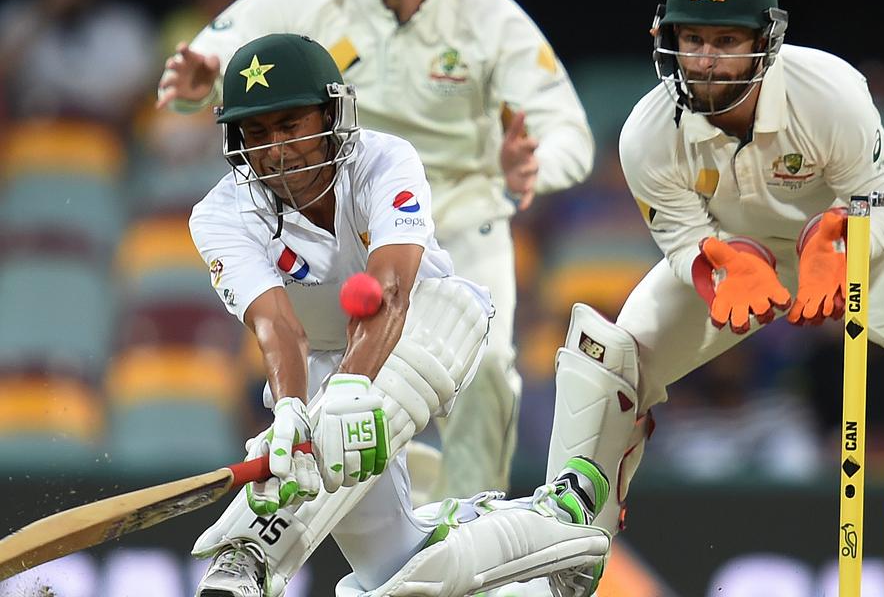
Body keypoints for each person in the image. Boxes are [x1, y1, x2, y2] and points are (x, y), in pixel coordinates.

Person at [534, 0, 884, 588]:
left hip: (858, 245)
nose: (706, 59)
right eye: (693, 39)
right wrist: (714, 264)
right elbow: (682, 238)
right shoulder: (646, 135)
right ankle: (564, 548)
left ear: (766, 41)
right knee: (612, 354)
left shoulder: (829, 93)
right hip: (742, 257)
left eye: (726, 40)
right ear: (667, 39)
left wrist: (835, 246)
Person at [156, 0, 594, 503]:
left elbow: (571, 134)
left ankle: (468, 520)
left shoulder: (488, 14)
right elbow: (218, 59)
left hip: (463, 211)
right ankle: (380, 492)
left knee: (488, 372)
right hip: (344, 206)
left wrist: (531, 168)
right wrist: (197, 84)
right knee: (331, 376)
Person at [186, 32, 609, 597]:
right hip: (323, 362)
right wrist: (290, 408)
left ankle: (249, 553)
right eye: (257, 134)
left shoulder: (385, 160)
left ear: (333, 113)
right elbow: (276, 324)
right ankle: (548, 529)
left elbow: (391, 288)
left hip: (429, 325)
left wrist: (349, 387)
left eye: (291, 126)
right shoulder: (218, 215)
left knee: (338, 431)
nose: (277, 150)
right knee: (400, 578)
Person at [0, 0, 155, 131]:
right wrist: (43, 15)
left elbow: (135, 95)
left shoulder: (126, 25)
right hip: (29, 133)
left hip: (99, 135)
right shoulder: (20, 15)